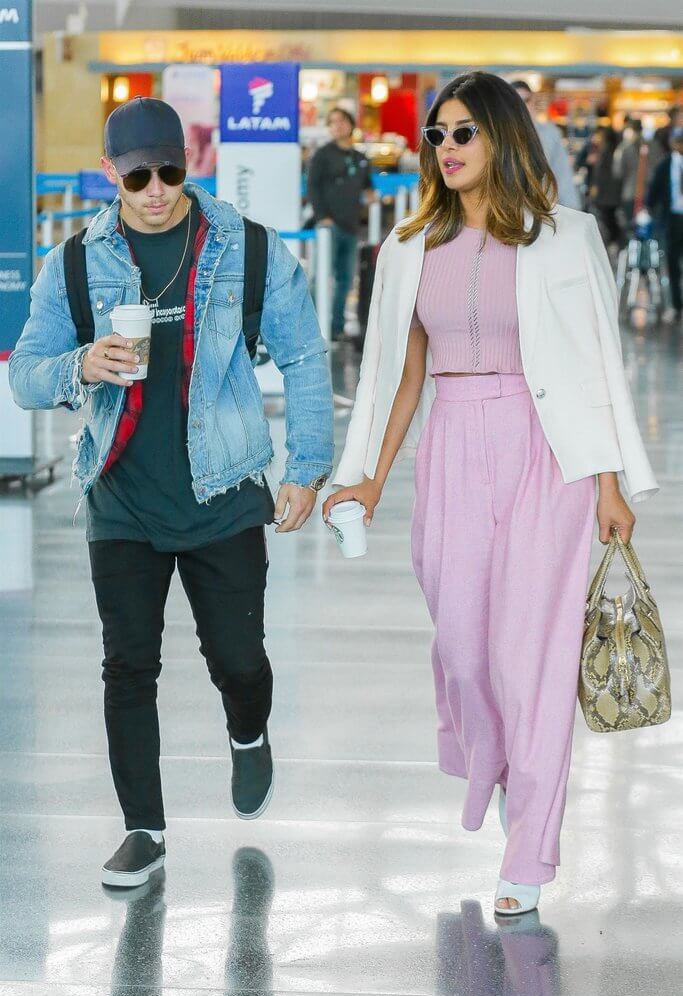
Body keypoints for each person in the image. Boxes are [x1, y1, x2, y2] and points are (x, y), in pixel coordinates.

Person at [324, 71, 658, 917]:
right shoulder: (408, 246)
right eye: (437, 135)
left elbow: (594, 362)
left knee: (531, 656)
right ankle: (502, 768)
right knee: (464, 652)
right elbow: (400, 377)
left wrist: (609, 482)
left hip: (548, 455)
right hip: (451, 448)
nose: (446, 148)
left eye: (463, 132)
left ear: (502, 137)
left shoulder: (565, 236)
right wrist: (368, 477)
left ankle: (530, 850)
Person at [9, 97, 334, 888]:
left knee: (238, 660)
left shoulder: (247, 248)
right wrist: (80, 365)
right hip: (121, 494)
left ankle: (248, 732)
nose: (155, 190)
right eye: (137, 176)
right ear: (109, 173)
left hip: (223, 487)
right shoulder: (74, 264)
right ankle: (143, 831)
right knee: (128, 666)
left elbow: (303, 357)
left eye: (169, 172)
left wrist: (305, 467)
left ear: (190, 165)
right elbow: (25, 374)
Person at [307, 107, 378, 340]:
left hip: (351, 226)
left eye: (342, 121)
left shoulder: (360, 157)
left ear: (351, 124)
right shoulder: (322, 155)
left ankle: (336, 328)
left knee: (345, 280)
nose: (338, 125)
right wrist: (322, 217)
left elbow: (367, 185)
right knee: (321, 276)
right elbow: (313, 187)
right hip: (329, 227)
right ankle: (311, 328)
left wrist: (370, 195)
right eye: (333, 122)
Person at [511, 80, 581, 210]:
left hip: (544, 210)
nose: (522, 106)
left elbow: (562, 173)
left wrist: (573, 210)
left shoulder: (550, 133)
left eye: (526, 100)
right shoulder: (500, 135)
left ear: (533, 101)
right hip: (511, 210)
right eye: (516, 102)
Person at [646, 125, 683, 323]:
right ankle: (676, 305)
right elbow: (653, 193)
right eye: (678, 141)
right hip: (673, 220)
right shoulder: (665, 165)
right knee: (673, 263)